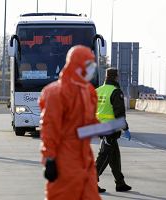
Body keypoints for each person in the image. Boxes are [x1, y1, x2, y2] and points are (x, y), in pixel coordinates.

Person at [39, 45, 101, 200]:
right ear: (78, 65)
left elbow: (87, 125)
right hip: (64, 158)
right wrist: (50, 158)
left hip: (85, 158)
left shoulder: (89, 91)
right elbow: (50, 127)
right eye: (88, 65)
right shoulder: (55, 92)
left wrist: (106, 129)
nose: (92, 69)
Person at [95, 68, 132, 193]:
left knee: (114, 157)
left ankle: (120, 183)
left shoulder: (97, 91)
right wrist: (125, 128)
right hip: (110, 129)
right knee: (103, 157)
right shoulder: (115, 92)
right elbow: (119, 114)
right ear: (116, 77)